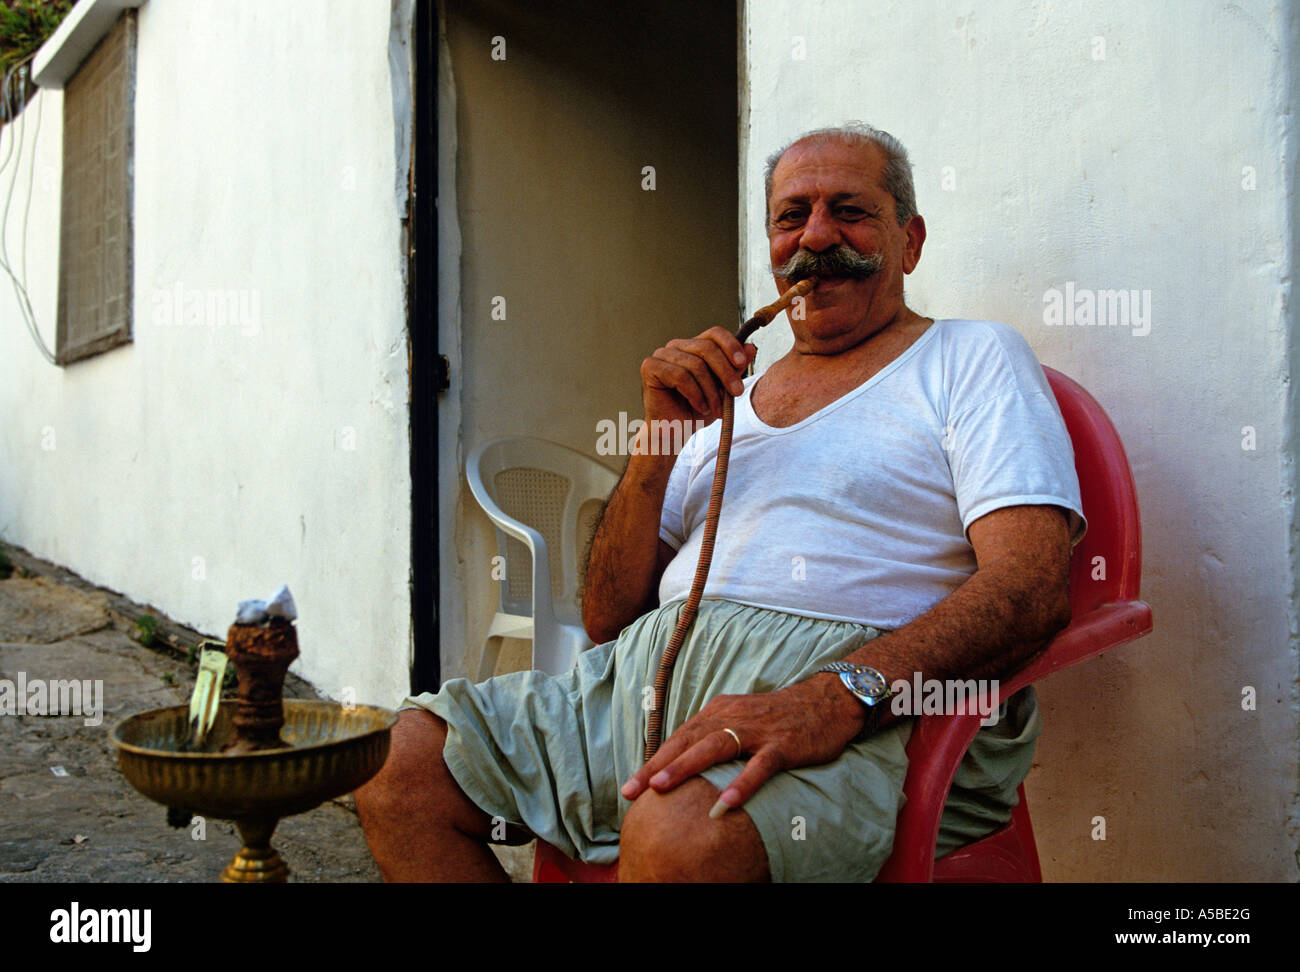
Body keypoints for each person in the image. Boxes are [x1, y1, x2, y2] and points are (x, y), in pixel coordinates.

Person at [355, 123, 1085, 882]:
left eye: (852, 211)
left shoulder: (971, 359)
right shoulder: (723, 408)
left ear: (910, 239)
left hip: (866, 716)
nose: (818, 236)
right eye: (791, 215)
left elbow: (1031, 587)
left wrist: (834, 697)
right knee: (397, 764)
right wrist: (658, 441)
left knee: (680, 838)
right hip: (639, 697)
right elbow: (608, 616)